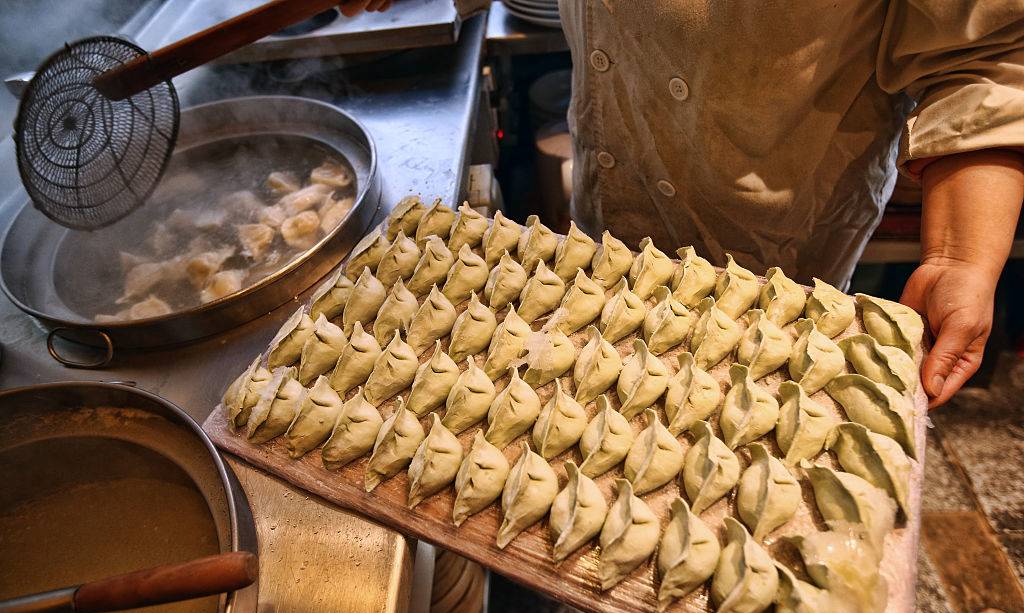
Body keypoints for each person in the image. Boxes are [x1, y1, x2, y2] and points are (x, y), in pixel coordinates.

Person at [343, 1, 1024, 408]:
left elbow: (986, 54)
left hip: (775, 252)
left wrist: (962, 255)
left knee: (752, 427)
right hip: (614, 199)